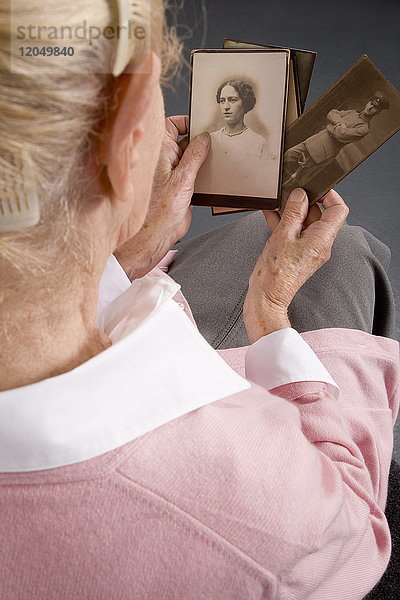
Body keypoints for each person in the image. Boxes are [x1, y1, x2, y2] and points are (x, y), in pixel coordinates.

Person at [0, 2, 398, 600]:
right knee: (344, 257)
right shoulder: (260, 517)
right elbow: (351, 530)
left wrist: (123, 251)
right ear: (126, 126)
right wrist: (268, 315)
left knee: (256, 240)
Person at [282, 91, 390, 200]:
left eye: (375, 107)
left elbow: (340, 135)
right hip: (315, 140)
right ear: (367, 102)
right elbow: (332, 113)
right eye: (371, 103)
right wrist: (339, 123)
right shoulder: (352, 112)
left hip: (323, 152)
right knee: (288, 155)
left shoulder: (363, 128)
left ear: (378, 113)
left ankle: (282, 199)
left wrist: (332, 126)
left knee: (296, 178)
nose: (371, 107)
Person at [194, 79, 277, 198]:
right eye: (222, 101)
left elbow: (262, 184)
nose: (226, 107)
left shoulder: (258, 142)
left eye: (232, 100)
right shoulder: (210, 140)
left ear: (245, 103)